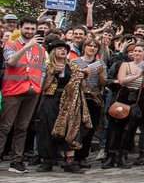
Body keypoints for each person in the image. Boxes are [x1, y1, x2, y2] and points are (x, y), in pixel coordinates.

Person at [36, 40, 88, 173]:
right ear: (53, 52)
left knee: (70, 128)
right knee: (47, 127)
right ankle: (46, 160)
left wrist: (83, 77)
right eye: (59, 49)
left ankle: (69, 161)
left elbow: (83, 87)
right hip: (50, 99)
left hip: (69, 101)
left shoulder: (73, 67)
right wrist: (52, 73)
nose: (63, 51)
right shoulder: (46, 66)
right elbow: (43, 88)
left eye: (64, 49)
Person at [1, 18, 46, 173]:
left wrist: (39, 85)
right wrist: (27, 46)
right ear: (20, 28)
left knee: (22, 127)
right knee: (5, 127)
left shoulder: (40, 49)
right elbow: (11, 61)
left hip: (32, 91)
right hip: (13, 91)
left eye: (33, 29)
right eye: (27, 28)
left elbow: (42, 69)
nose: (30, 32)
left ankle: (16, 161)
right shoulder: (11, 44)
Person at [103, 43, 144, 169]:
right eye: (135, 51)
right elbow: (121, 80)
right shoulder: (125, 65)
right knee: (115, 127)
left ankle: (122, 156)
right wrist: (137, 75)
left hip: (137, 99)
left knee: (129, 129)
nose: (136, 53)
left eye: (139, 51)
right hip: (123, 97)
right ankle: (111, 156)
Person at [71, 37, 107, 168]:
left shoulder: (100, 63)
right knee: (77, 127)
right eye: (89, 46)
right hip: (79, 97)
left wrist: (101, 73)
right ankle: (73, 155)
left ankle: (83, 156)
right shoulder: (75, 62)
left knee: (89, 128)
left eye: (95, 46)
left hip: (94, 98)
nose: (92, 48)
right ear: (84, 48)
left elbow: (103, 83)